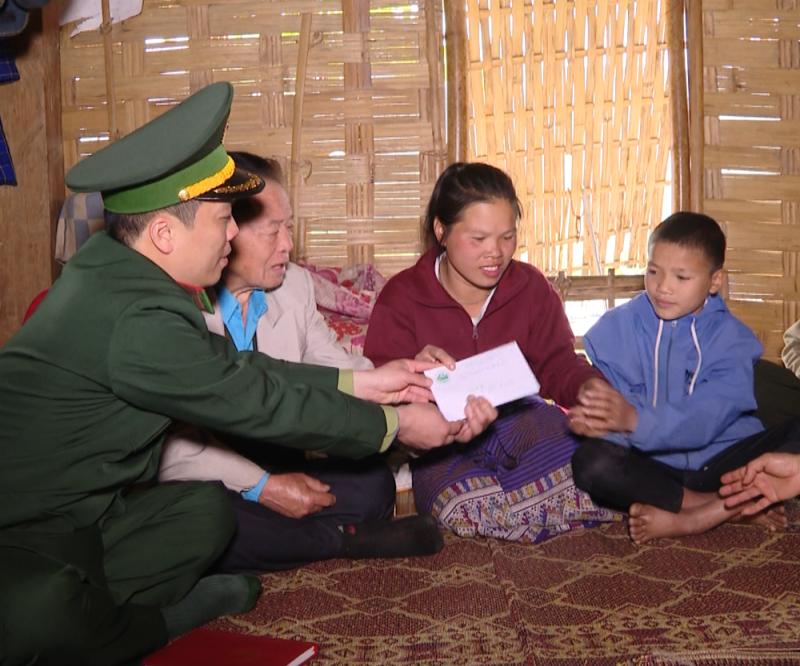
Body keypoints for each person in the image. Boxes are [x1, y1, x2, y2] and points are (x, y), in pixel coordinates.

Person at [0, 82, 466, 666]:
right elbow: (253, 397)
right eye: (224, 219)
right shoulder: (137, 316)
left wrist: (365, 383)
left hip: (88, 518)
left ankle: (104, 606)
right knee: (37, 623)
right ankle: (160, 619)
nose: (232, 232)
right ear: (165, 235)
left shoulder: (116, 269)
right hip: (17, 529)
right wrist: (392, 426)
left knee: (204, 515)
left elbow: (237, 368)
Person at [159, 151, 443, 574]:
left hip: (279, 459)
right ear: (226, 231)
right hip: (207, 475)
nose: (288, 246)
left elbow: (338, 370)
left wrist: (411, 382)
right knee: (202, 520)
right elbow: (174, 449)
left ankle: (281, 541)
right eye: (272, 231)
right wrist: (263, 487)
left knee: (373, 485)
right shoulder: (177, 310)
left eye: (288, 228)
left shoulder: (291, 286)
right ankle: (340, 541)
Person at [364, 161, 621, 542]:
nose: (495, 253)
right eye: (478, 239)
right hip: (443, 441)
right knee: (459, 505)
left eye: (507, 237)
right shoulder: (402, 298)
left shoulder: (530, 288)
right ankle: (558, 512)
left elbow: (558, 362)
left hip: (524, 419)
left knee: (598, 465)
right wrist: (420, 381)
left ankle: (524, 516)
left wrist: (592, 391)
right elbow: (381, 398)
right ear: (441, 231)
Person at [570, 211, 800, 545]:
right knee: (591, 463)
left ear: (714, 280)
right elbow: (612, 408)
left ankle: (699, 517)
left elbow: (706, 418)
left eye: (681, 277)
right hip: (656, 468)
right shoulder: (619, 328)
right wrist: (598, 423)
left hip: (726, 464)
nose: (663, 287)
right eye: (653, 271)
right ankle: (725, 509)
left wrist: (635, 420)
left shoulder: (733, 340)